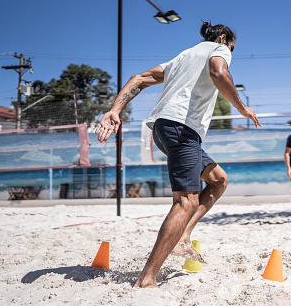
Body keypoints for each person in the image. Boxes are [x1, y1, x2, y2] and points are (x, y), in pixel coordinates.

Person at [95, 22, 261, 288]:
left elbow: (138, 79)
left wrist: (115, 110)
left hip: (164, 129)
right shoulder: (219, 49)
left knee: (218, 180)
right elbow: (219, 73)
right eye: (231, 48)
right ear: (223, 39)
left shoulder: (184, 56)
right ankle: (147, 278)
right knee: (186, 203)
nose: (230, 54)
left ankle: (183, 236)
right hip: (181, 128)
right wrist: (242, 108)